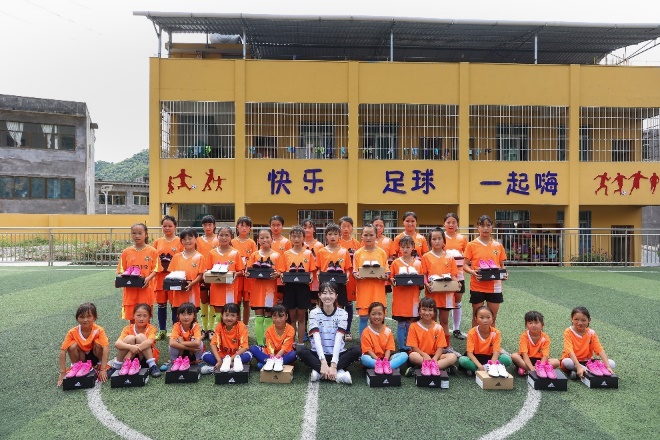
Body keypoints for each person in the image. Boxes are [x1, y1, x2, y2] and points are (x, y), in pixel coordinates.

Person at [296, 282, 361, 384]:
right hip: (318, 354)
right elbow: (316, 339)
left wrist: (334, 365)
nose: (327, 296)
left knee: (357, 350)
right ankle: (338, 374)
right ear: (319, 296)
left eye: (331, 293)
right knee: (300, 349)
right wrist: (323, 362)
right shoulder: (314, 313)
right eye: (324, 293)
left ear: (336, 296)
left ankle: (320, 372)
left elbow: (338, 339)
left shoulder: (343, 314)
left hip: (338, 354)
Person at [463, 215, 508, 327]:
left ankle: (491, 343)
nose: (485, 228)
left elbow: (502, 266)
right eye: (482, 225)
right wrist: (473, 272)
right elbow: (464, 265)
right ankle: (474, 343)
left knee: (492, 317)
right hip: (477, 285)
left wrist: (504, 274)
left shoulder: (498, 245)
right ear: (478, 227)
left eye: (488, 225)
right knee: (476, 316)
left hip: (494, 286)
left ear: (492, 227)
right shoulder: (471, 245)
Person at [421, 227, 459, 348]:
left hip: (447, 295)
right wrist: (427, 284)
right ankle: (432, 346)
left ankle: (446, 347)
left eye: (439, 238)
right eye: (434, 239)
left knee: (444, 321)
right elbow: (424, 275)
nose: (437, 241)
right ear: (430, 241)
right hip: (432, 294)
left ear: (444, 240)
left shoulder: (450, 257)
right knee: (432, 321)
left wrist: (457, 283)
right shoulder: (426, 257)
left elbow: (453, 275)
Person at [58, 303, 110, 386]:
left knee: (98, 343)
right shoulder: (72, 332)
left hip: (95, 356)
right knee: (72, 346)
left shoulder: (99, 330)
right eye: (82, 317)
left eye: (88, 316)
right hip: (82, 357)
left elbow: (106, 348)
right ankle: (77, 366)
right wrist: (62, 372)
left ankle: (99, 365)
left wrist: (103, 369)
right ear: (77, 318)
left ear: (94, 317)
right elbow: (63, 351)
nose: (85, 320)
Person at [248, 229, 285, 346]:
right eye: (262, 238)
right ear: (258, 240)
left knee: (269, 317)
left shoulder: (276, 255)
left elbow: (281, 270)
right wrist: (247, 273)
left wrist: (277, 274)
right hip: (257, 290)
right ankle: (260, 343)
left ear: (271, 239)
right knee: (259, 318)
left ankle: (269, 341)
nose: (264, 240)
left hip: (270, 291)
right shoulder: (254, 255)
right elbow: (248, 270)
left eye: (267, 237)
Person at [117, 223, 159, 321]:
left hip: (146, 288)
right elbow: (121, 270)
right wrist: (120, 281)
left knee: (145, 315)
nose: (137, 236)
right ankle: (132, 335)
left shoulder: (152, 251)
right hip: (130, 290)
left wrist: (148, 278)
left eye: (140, 233)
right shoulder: (126, 252)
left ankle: (146, 336)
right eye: (134, 233)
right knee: (132, 316)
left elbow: (156, 269)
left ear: (146, 234)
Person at [353, 224, 389, 338]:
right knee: (363, 318)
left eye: (371, 235)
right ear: (361, 236)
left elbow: (387, 272)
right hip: (364, 291)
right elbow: (355, 271)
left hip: (378, 292)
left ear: (376, 235)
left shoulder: (381, 253)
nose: (368, 238)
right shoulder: (358, 253)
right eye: (365, 235)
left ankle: (381, 341)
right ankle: (364, 344)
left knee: (379, 318)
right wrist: (357, 275)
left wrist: (384, 276)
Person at [406, 297, 458, 376]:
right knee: (413, 356)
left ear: (434, 312)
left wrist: (435, 358)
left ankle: (427, 367)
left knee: (453, 357)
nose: (427, 313)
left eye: (430, 310)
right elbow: (414, 347)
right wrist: (424, 355)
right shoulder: (413, 326)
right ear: (419, 311)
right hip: (421, 355)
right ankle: (437, 367)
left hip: (435, 356)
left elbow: (440, 347)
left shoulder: (438, 327)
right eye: (424, 309)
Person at [282, 225, 316, 344]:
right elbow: (282, 270)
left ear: (303, 238)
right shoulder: (286, 254)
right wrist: (282, 275)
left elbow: (312, 270)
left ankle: (301, 342)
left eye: (299, 236)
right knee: (291, 316)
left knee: (301, 316)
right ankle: (291, 343)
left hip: (303, 287)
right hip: (290, 287)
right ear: (290, 238)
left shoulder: (308, 253)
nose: (296, 239)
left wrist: (311, 276)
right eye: (294, 236)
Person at [560, 306, 615, 379]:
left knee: (612, 363)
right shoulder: (568, 332)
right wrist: (578, 366)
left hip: (587, 362)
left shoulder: (591, 333)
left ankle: (585, 370)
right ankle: (583, 369)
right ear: (571, 319)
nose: (580, 323)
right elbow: (569, 351)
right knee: (566, 362)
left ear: (589, 320)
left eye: (583, 320)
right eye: (576, 319)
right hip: (573, 361)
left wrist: (608, 367)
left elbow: (599, 349)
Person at [206, 226, 245, 328]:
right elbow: (207, 270)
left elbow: (241, 271)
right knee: (219, 314)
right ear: (217, 237)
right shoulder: (212, 253)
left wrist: (235, 274)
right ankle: (220, 334)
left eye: (226, 235)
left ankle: (233, 334)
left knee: (231, 312)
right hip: (217, 288)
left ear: (231, 237)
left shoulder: (235, 253)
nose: (224, 238)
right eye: (221, 235)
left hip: (230, 289)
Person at [152, 215, 183, 340]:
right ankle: (162, 330)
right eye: (164, 226)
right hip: (160, 278)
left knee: (174, 306)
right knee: (161, 305)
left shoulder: (180, 241)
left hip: (174, 278)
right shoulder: (157, 242)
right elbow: (153, 258)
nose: (167, 228)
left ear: (175, 226)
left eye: (170, 226)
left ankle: (176, 331)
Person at [110, 303, 162, 378]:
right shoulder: (127, 328)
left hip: (145, 359)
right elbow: (117, 344)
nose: (141, 318)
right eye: (138, 315)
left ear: (149, 317)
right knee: (130, 338)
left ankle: (152, 366)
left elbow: (150, 342)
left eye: (145, 316)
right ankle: (117, 366)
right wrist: (130, 347)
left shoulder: (151, 328)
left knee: (140, 337)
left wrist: (131, 352)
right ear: (133, 316)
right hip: (129, 360)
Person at [389, 235, 421, 351]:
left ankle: (410, 345)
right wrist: (392, 280)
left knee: (411, 323)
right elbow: (391, 278)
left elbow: (421, 281)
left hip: (413, 299)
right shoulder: (396, 263)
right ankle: (402, 346)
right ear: (399, 248)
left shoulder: (418, 263)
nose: (405, 249)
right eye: (403, 247)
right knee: (401, 322)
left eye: (408, 247)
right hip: (400, 299)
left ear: (413, 247)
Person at [458, 305, 511, 376]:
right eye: (481, 318)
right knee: (462, 360)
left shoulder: (496, 333)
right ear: (476, 319)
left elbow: (496, 352)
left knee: (507, 359)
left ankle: (477, 371)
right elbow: (469, 353)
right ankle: (480, 370)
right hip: (475, 358)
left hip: (490, 358)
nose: (485, 320)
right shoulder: (472, 332)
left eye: (488, 317)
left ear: (492, 319)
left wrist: (491, 365)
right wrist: (480, 366)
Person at [202, 303, 252, 373]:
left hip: (236, 356)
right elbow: (213, 344)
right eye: (226, 315)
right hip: (222, 355)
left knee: (248, 356)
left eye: (232, 315)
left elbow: (244, 347)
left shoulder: (241, 326)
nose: (229, 318)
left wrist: (230, 359)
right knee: (205, 356)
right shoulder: (220, 326)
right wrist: (219, 360)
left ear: (237, 317)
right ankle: (232, 366)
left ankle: (217, 367)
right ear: (222, 316)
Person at [167, 228, 205, 322]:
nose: (187, 241)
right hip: (178, 294)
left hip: (192, 293)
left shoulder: (200, 257)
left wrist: (192, 283)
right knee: (177, 318)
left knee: (191, 318)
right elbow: (171, 273)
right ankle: (177, 335)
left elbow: (201, 275)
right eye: (184, 239)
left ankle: (192, 335)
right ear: (181, 241)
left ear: (196, 239)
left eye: (190, 238)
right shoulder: (176, 257)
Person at [360, 302, 408, 374]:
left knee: (404, 355)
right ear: (369, 315)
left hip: (386, 359)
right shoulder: (366, 331)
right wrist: (378, 360)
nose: (376, 317)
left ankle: (387, 366)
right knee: (364, 359)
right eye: (373, 314)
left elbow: (389, 348)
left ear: (384, 315)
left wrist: (385, 360)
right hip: (373, 359)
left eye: (379, 314)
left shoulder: (387, 330)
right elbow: (368, 351)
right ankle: (384, 366)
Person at [511, 311, 560, 377]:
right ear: (526, 325)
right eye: (530, 323)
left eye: (536, 323)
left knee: (556, 362)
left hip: (539, 361)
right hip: (525, 360)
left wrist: (541, 367)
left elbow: (545, 355)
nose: (533, 325)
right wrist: (531, 369)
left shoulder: (545, 338)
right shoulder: (524, 336)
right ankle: (529, 369)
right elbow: (524, 354)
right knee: (514, 356)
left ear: (542, 325)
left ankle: (526, 369)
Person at [443, 212, 468, 340]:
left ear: (457, 224)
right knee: (443, 301)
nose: (451, 225)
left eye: (454, 222)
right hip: (443, 274)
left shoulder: (462, 239)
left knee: (457, 301)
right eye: (448, 222)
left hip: (458, 275)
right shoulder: (441, 237)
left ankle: (456, 328)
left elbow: (466, 256)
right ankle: (441, 327)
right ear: (444, 224)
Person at [249, 304, 296, 370]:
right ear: (271, 317)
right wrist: (272, 357)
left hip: (284, 355)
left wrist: (276, 358)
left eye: (281, 316)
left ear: (286, 317)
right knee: (253, 348)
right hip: (271, 356)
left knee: (294, 354)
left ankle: (267, 363)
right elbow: (270, 346)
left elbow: (285, 347)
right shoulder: (269, 330)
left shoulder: (291, 329)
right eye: (275, 316)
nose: (277, 319)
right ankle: (272, 363)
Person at [315, 222, 351, 310]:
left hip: (340, 283)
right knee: (324, 307)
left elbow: (347, 269)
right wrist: (318, 275)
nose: (332, 237)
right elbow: (319, 269)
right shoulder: (321, 251)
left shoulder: (344, 251)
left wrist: (347, 276)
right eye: (330, 234)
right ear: (326, 236)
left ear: (339, 236)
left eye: (335, 234)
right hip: (325, 283)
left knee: (339, 307)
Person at [162, 302, 204, 371]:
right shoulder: (177, 325)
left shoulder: (195, 325)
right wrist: (189, 348)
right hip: (183, 351)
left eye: (189, 314)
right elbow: (171, 343)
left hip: (192, 352)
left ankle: (196, 360)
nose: (186, 317)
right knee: (174, 343)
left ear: (194, 316)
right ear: (178, 315)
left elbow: (197, 343)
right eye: (183, 314)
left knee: (198, 342)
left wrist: (182, 342)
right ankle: (175, 361)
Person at [232, 216, 258, 325]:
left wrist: (249, 269)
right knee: (236, 302)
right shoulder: (232, 242)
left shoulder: (251, 242)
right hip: (237, 276)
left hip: (247, 277)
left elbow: (255, 257)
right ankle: (237, 324)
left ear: (250, 228)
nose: (244, 228)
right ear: (237, 227)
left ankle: (245, 325)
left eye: (247, 226)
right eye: (242, 225)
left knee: (246, 302)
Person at [338, 216, 360, 340]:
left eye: (348, 226)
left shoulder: (356, 243)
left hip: (351, 277)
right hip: (339, 276)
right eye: (343, 226)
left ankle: (347, 330)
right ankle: (339, 330)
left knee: (349, 304)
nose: (346, 229)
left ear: (352, 227)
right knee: (339, 304)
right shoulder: (337, 242)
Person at [197, 215, 218, 339]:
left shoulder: (218, 239)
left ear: (214, 225)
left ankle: (212, 328)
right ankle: (204, 328)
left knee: (214, 301)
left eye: (210, 224)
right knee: (204, 300)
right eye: (205, 225)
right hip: (201, 275)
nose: (207, 227)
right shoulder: (198, 240)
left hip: (215, 275)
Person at [270, 215, 292, 305]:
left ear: (282, 226)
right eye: (273, 225)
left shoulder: (286, 242)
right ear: (270, 226)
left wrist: (281, 273)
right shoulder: (266, 240)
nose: (275, 227)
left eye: (278, 225)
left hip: (281, 277)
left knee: (281, 302)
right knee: (269, 302)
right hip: (269, 276)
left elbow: (289, 259)